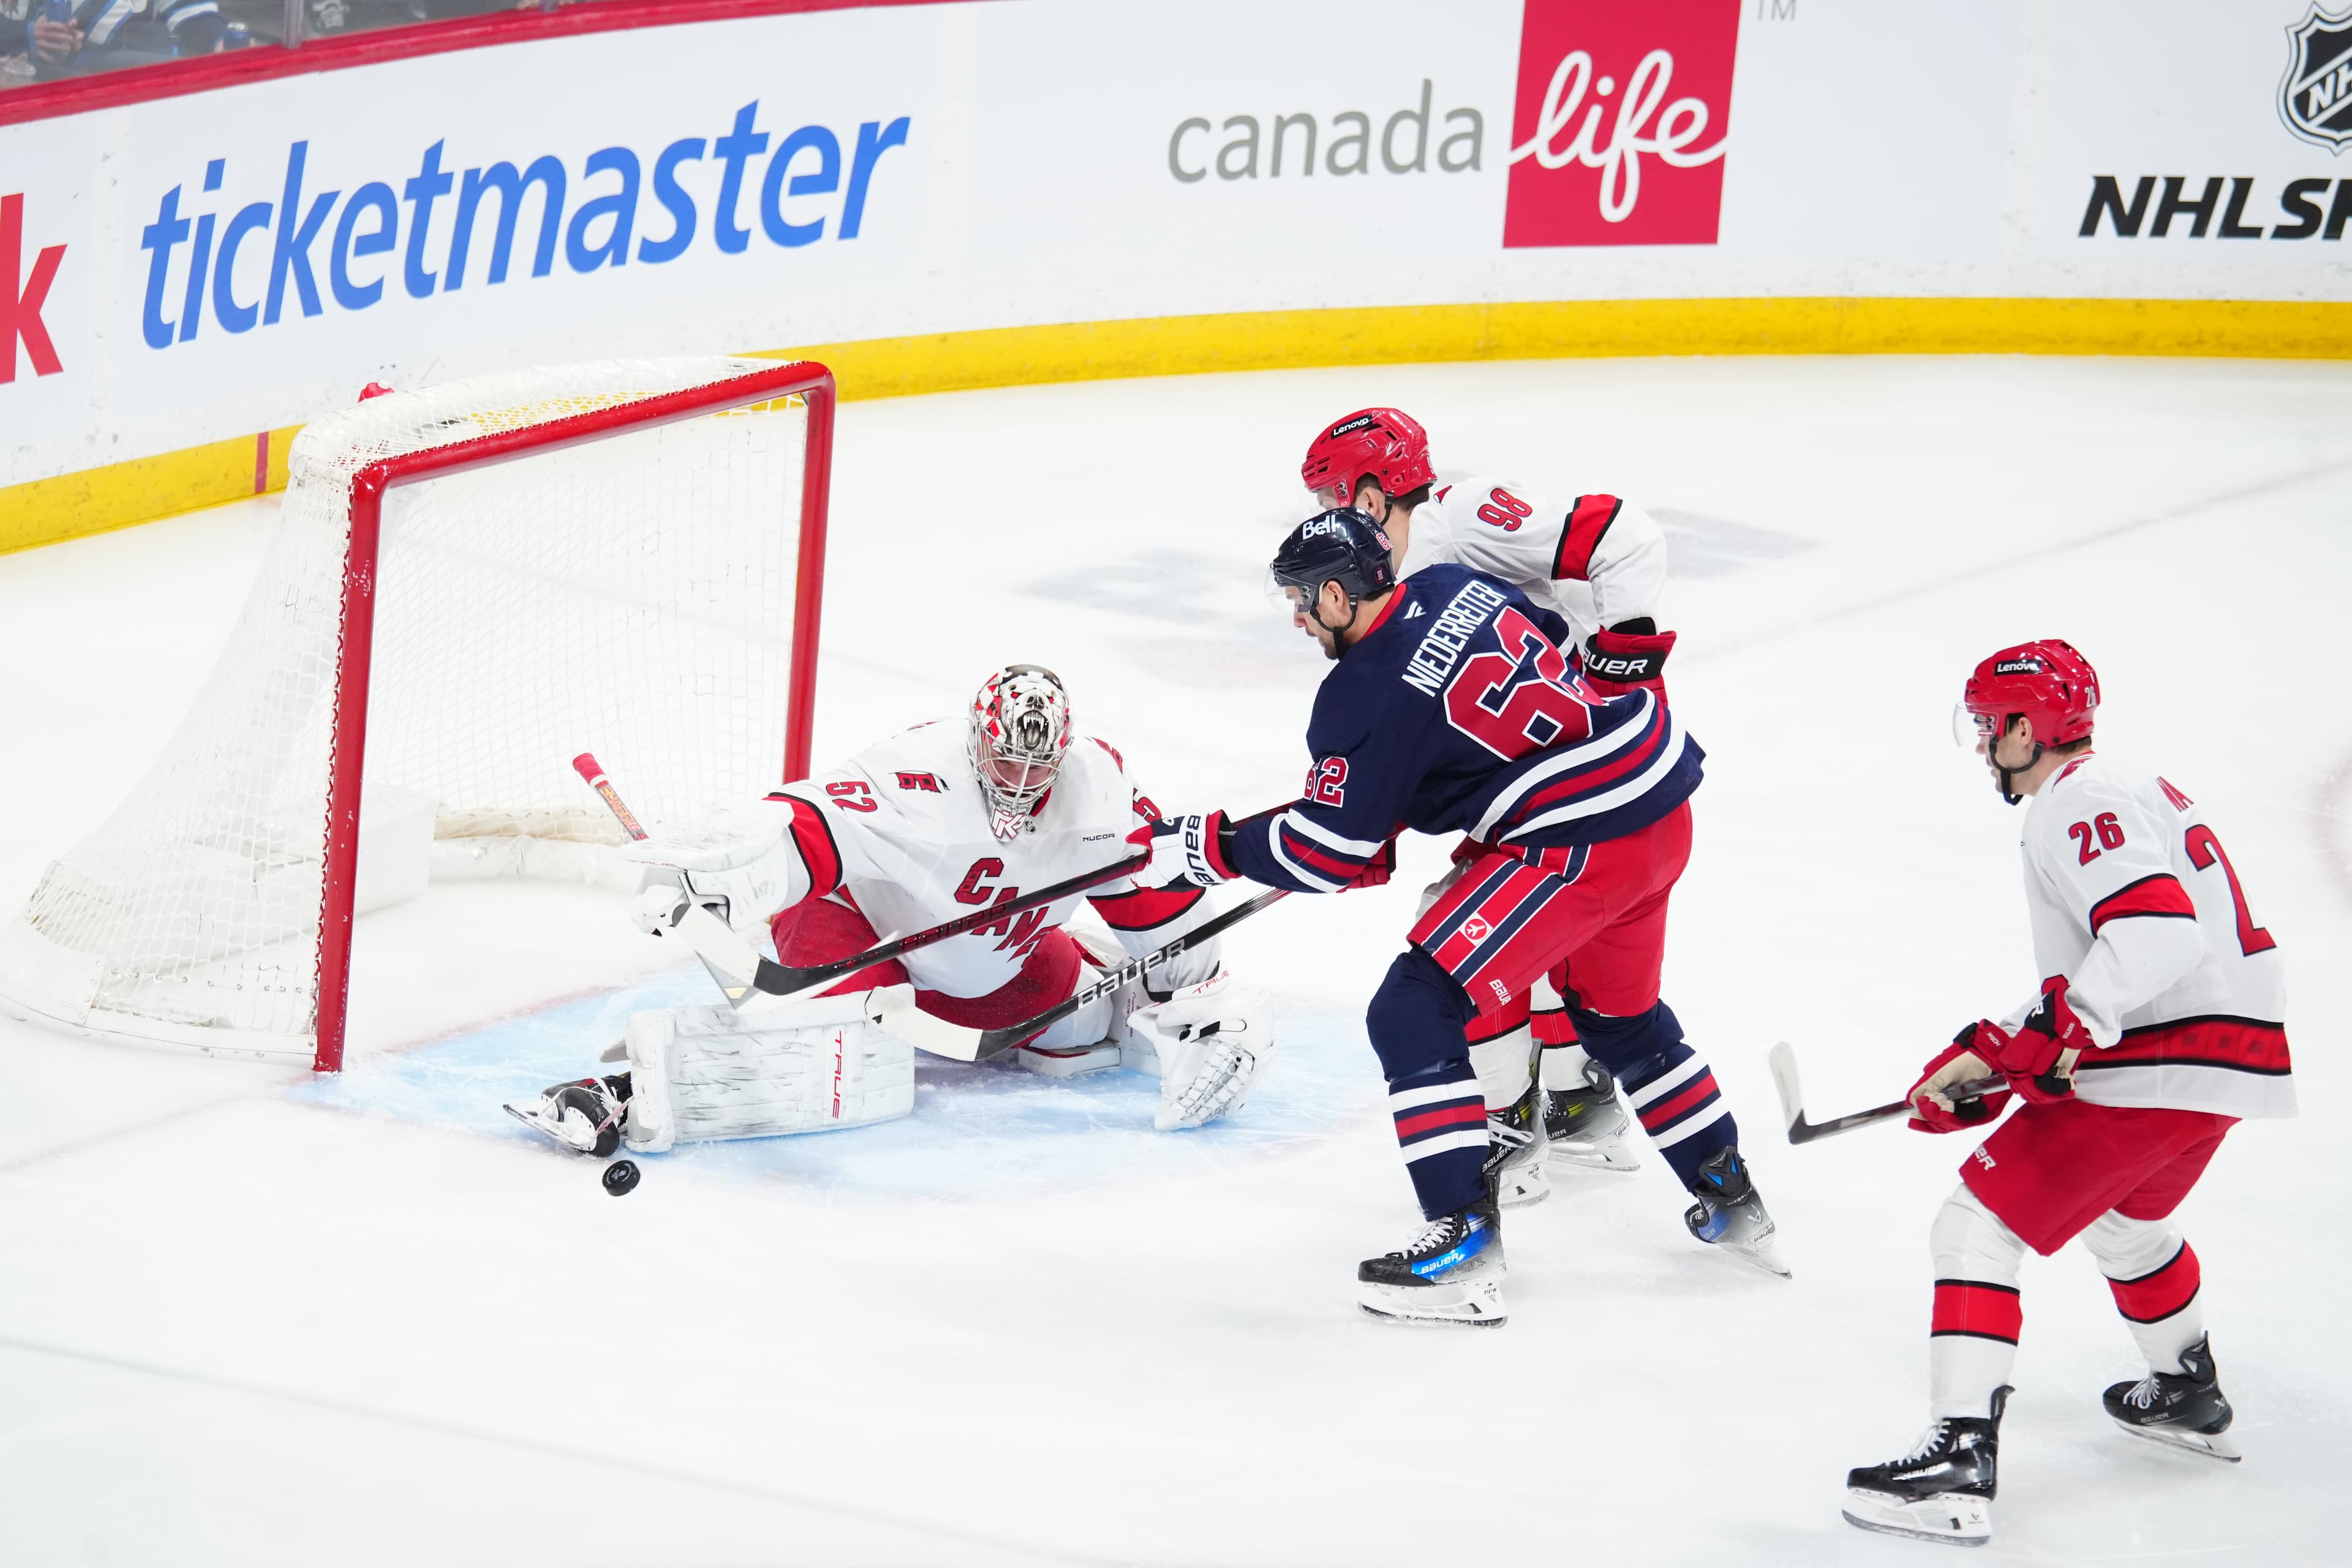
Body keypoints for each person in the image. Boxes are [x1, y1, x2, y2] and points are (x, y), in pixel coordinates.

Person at [1136, 508, 1783, 1329]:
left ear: (1338, 596)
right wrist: (1403, 795)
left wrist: (1208, 847)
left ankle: (1463, 1246)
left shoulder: (1357, 697)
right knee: (1619, 1017)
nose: (1299, 618)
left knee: (1412, 1008)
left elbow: (1330, 850)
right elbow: (1533, 668)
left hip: (1580, 841)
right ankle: (1729, 1193)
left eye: (1304, 600)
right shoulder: (1453, 585)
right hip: (1656, 800)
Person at [1842, 641, 2293, 1547]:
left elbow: (2157, 938)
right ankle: (2185, 1390)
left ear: (2025, 726)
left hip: (2167, 1054)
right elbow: (2122, 958)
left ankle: (1958, 1461)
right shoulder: (2124, 786)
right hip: (2224, 1056)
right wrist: (1994, 1050)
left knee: (1974, 1223)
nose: (1981, 746)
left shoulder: (2076, 798)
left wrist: (2063, 1028)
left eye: (1988, 726)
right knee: (2123, 1222)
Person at [508, 665, 1268, 1156]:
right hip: (861, 928)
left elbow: (1155, 895)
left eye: (1042, 765)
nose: (1024, 780)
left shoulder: (1096, 787)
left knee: (1075, 1031)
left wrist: (1202, 998)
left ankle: (1114, 990)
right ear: (977, 742)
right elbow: (805, 840)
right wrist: (719, 890)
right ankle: (623, 1094)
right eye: (1008, 760)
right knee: (821, 1055)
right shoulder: (914, 774)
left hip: (980, 955)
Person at [1299, 408, 1676, 1200]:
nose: (1327, 514)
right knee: (1536, 935)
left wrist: (1620, 673)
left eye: (1335, 494)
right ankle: (1579, 1102)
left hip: (1576, 757)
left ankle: (1514, 1135)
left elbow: (1625, 536)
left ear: (1371, 495)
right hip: (1528, 765)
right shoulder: (1388, 572)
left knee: (1472, 933)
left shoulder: (1462, 513)